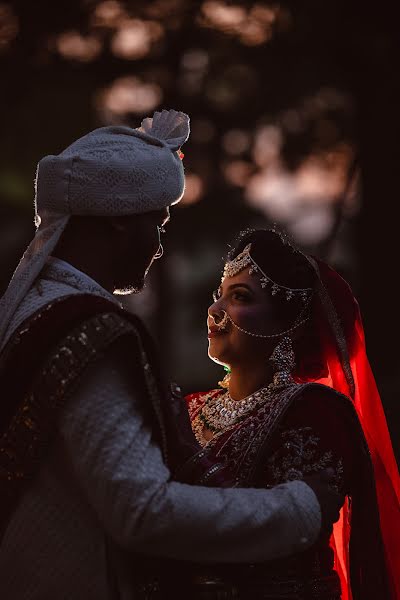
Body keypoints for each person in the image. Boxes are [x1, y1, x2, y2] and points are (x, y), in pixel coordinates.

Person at [0, 112, 343, 599]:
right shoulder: (87, 331)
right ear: (120, 217)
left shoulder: (29, 310)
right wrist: (299, 509)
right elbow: (141, 512)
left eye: (242, 296)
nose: (159, 245)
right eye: (156, 222)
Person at [164, 228, 399, 600]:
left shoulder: (314, 413)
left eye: (239, 297)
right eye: (217, 296)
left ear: (290, 323)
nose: (214, 311)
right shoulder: (188, 407)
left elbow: (282, 534)